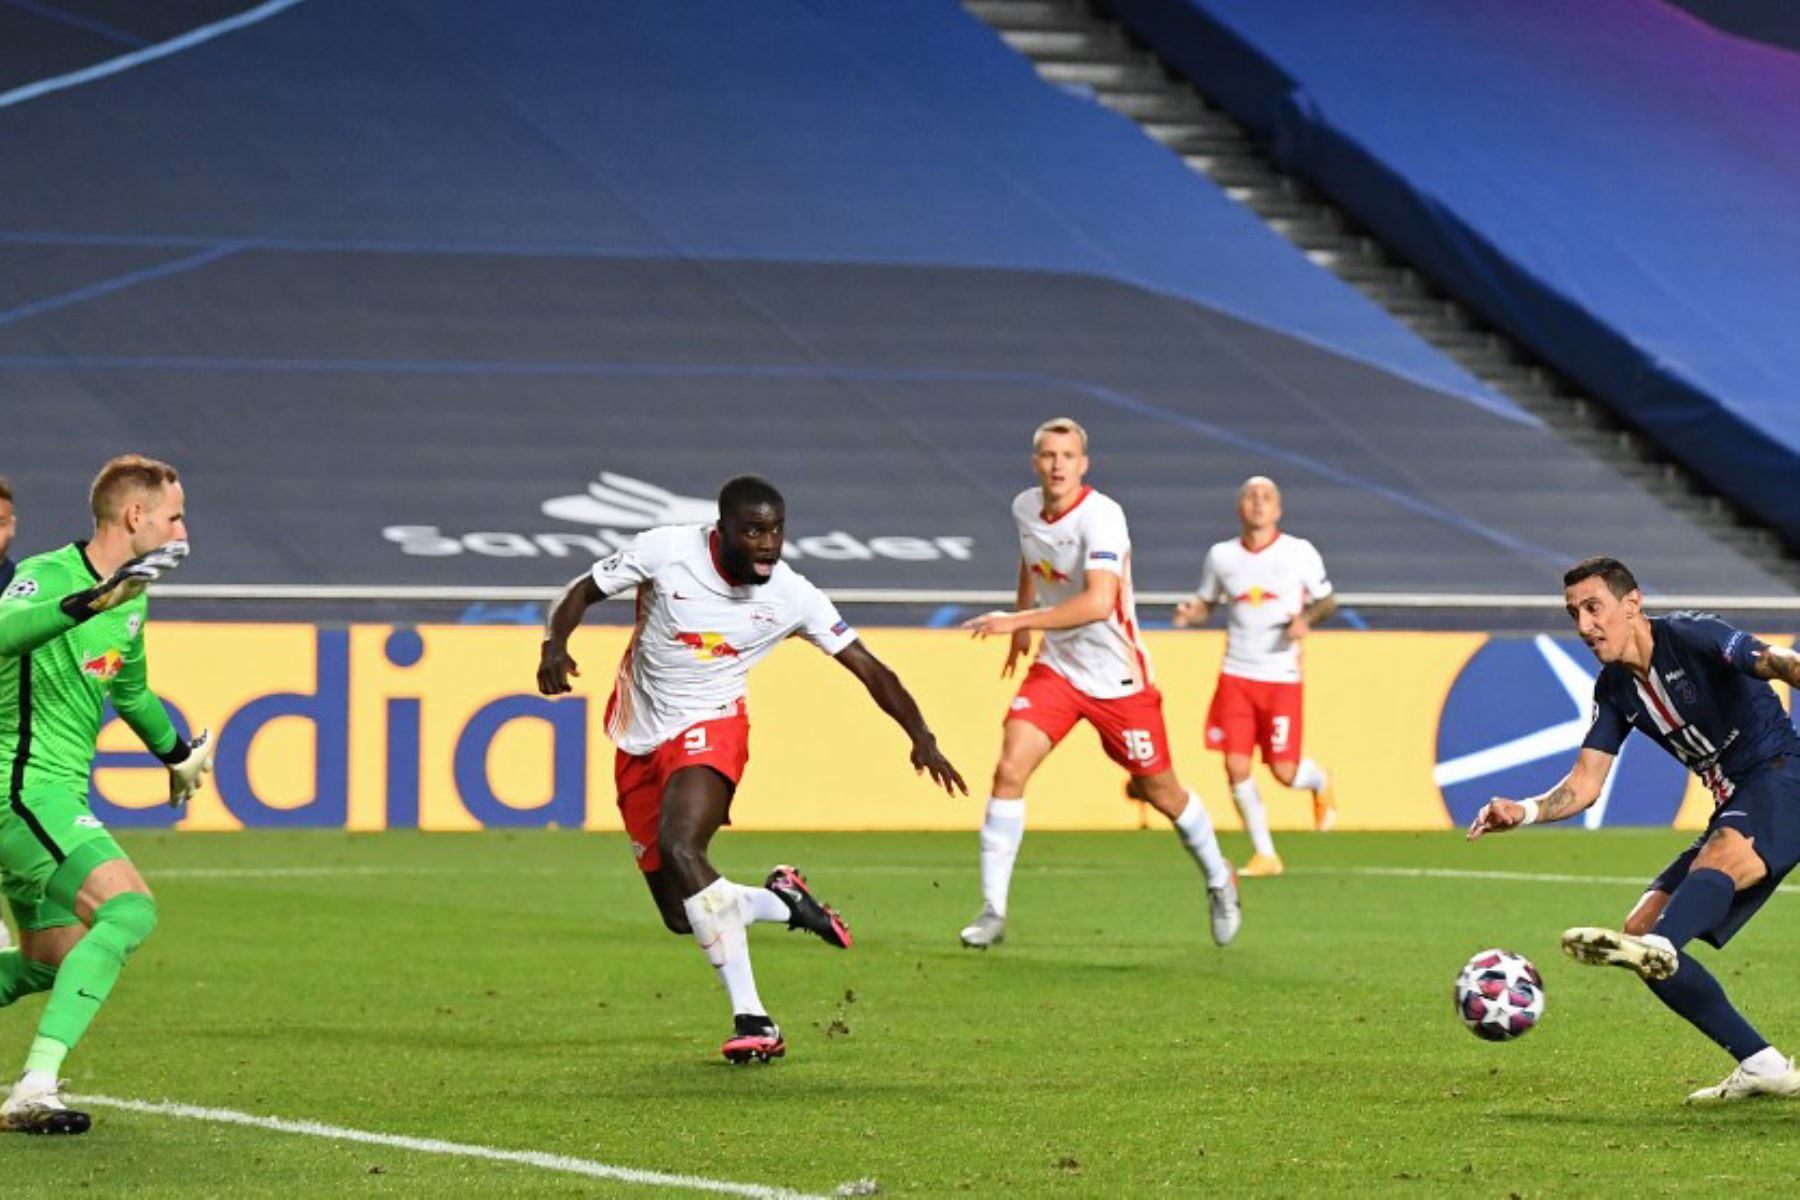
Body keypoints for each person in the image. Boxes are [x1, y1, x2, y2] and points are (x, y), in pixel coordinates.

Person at [537, 474, 966, 1063]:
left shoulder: (791, 595)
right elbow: (581, 591)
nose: (768, 543)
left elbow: (869, 667)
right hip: (638, 733)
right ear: (724, 531)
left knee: (683, 849)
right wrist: (554, 645)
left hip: (712, 725)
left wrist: (922, 736)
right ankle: (781, 900)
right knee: (680, 914)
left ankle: (755, 1019)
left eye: (777, 530)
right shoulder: (667, 551)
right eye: (754, 531)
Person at [1469, 557, 1800, 1103]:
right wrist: (1523, 811)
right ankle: (1762, 1063)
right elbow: (1585, 783)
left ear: (1632, 604)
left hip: (1783, 779)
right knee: (1638, 927)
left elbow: (1768, 659)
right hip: (1736, 803)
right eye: (1574, 613)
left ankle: (1664, 944)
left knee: (1677, 913)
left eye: (1594, 608)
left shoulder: (1692, 636)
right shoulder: (1616, 689)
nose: (1583, 626)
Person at [958, 418, 1240, 950]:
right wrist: (1024, 623)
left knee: (1162, 790)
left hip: (1118, 678)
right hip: (1058, 671)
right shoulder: (1024, 506)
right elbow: (1031, 555)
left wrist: (1015, 623)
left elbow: (1098, 603)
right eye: (1048, 455)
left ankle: (1218, 877)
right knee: (1009, 768)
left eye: (1068, 455)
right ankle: (994, 909)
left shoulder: (1103, 517)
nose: (1057, 464)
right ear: (1035, 461)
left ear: (1083, 464)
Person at [0, 454, 213, 1134]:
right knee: (128, 911)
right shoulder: (45, 575)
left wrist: (177, 756)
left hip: (45, 796)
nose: (182, 531)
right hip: (20, 789)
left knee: (48, 963)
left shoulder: (132, 602)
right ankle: (34, 1086)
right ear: (135, 516)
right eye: (174, 516)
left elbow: (130, 691)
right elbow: (3, 634)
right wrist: (90, 601)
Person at [1173, 475, 1337, 877]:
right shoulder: (1222, 557)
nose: (1258, 503)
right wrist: (1192, 613)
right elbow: (1208, 601)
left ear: (1278, 509)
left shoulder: (1299, 553)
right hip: (1236, 675)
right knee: (1235, 766)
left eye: (1266, 497)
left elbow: (1327, 600)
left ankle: (1318, 782)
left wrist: (1306, 620)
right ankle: (1265, 854)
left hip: (1280, 676)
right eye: (1251, 496)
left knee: (1284, 772)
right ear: (1239, 508)